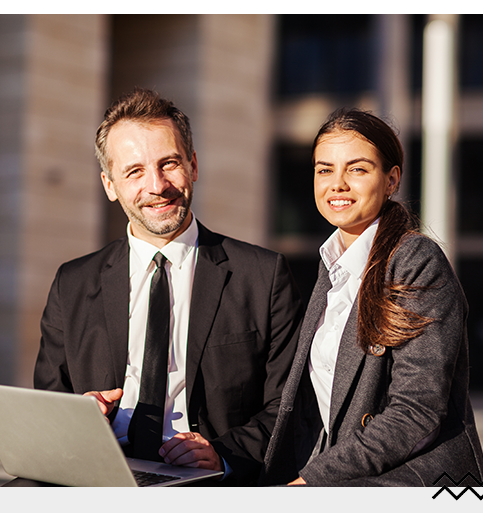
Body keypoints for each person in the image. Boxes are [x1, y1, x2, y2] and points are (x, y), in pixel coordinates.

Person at [33, 88, 303, 486]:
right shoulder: (72, 283)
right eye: (135, 171)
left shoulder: (262, 276)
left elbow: (288, 404)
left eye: (169, 163)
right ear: (110, 185)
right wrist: (77, 417)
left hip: (206, 480)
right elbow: (49, 404)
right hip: (94, 475)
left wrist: (222, 455)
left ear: (193, 165)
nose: (156, 185)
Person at [260, 108, 483, 487]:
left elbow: (415, 411)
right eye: (324, 169)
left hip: (406, 480)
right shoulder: (332, 266)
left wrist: (311, 482)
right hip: (345, 475)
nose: (337, 184)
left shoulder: (415, 261)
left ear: (391, 179)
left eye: (357, 169)